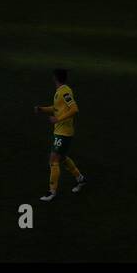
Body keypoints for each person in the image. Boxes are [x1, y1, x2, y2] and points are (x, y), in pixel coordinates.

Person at [35, 68, 85, 202]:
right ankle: (80, 179)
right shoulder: (60, 92)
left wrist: (57, 119)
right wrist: (42, 109)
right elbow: (57, 108)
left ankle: (52, 192)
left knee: (53, 160)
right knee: (62, 158)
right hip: (60, 131)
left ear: (55, 78)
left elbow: (74, 109)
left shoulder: (65, 92)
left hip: (64, 133)